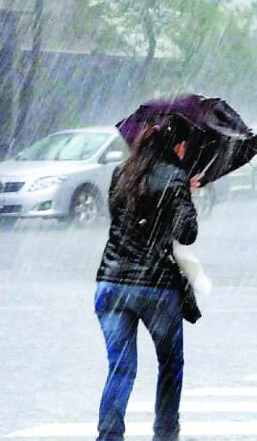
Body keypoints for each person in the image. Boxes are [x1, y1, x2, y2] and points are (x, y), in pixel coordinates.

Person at [94, 115, 200, 441]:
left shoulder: (121, 174)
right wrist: (185, 194)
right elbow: (188, 232)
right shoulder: (175, 177)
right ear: (178, 146)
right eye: (185, 146)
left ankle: (109, 435)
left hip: (112, 282)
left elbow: (123, 220)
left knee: (120, 367)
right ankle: (165, 433)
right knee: (170, 364)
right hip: (155, 288)